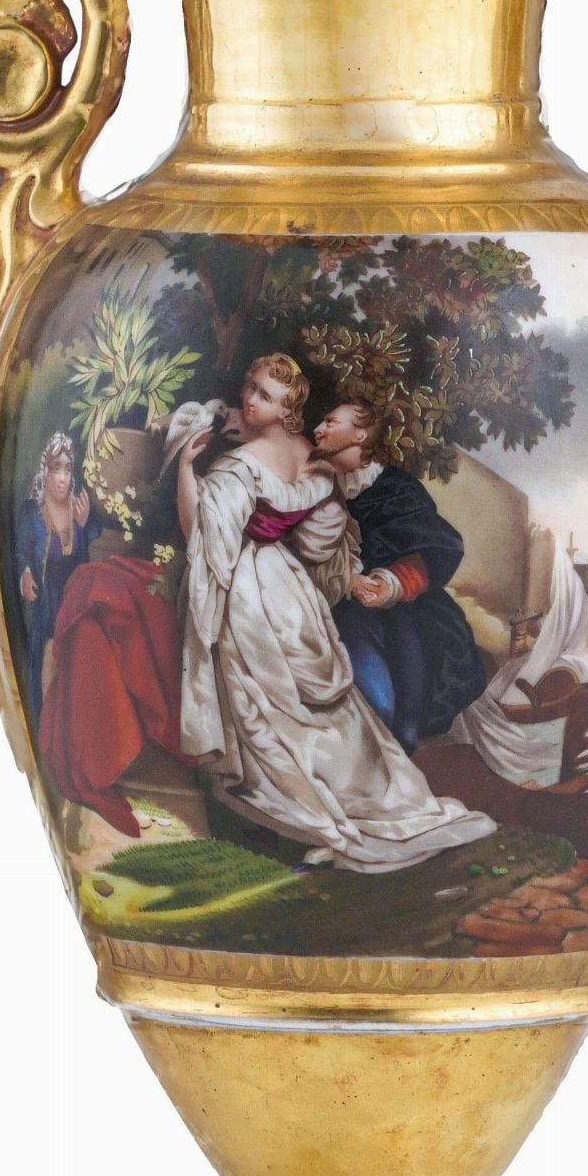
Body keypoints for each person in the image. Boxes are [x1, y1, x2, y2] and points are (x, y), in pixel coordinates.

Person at [172, 354, 494, 873]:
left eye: (265, 395)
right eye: (250, 388)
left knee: (270, 703)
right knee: (307, 703)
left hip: (253, 589)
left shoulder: (239, 467)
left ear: (286, 410)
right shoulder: (312, 461)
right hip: (293, 590)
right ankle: (350, 804)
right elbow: (322, 538)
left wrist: (186, 468)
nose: (250, 400)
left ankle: (308, 809)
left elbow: (204, 541)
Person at [308, 396, 489, 749]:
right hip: (339, 608)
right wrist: (346, 580)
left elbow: (433, 548)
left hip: (403, 609)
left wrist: (389, 585)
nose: (318, 430)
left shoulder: (394, 488)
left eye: (330, 422)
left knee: (405, 719)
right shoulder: (313, 485)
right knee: (376, 707)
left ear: (360, 435)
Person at [10, 430, 92, 720]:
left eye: (67, 470)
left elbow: (83, 566)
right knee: (47, 670)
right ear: (45, 472)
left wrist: (81, 527)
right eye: (56, 469)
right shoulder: (32, 512)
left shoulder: (77, 510)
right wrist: (25, 573)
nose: (62, 478)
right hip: (47, 609)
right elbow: (21, 553)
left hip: (73, 606)